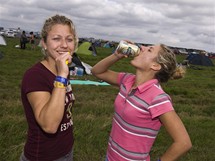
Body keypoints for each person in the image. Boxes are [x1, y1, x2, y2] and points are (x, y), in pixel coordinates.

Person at [91, 42, 192, 161]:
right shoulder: (127, 80)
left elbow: (183, 142)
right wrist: (116, 55)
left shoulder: (157, 98)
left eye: (149, 50)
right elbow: (97, 71)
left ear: (155, 66)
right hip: (110, 157)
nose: (141, 48)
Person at [20, 14, 78, 161]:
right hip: (44, 155)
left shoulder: (61, 69)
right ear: (44, 43)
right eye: (56, 38)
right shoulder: (35, 76)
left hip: (66, 150)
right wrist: (62, 77)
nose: (64, 45)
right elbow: (49, 125)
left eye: (69, 39)